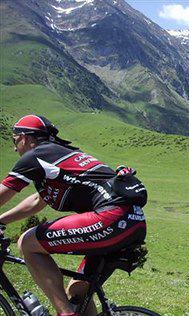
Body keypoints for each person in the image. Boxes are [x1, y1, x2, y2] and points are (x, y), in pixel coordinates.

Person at [0, 115, 147, 316]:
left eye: (15, 140)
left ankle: (65, 314)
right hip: (132, 222)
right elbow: (36, 202)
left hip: (111, 217)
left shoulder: (37, 156)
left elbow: (4, 192)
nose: (15, 148)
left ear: (25, 138)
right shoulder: (62, 156)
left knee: (27, 242)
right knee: (78, 291)